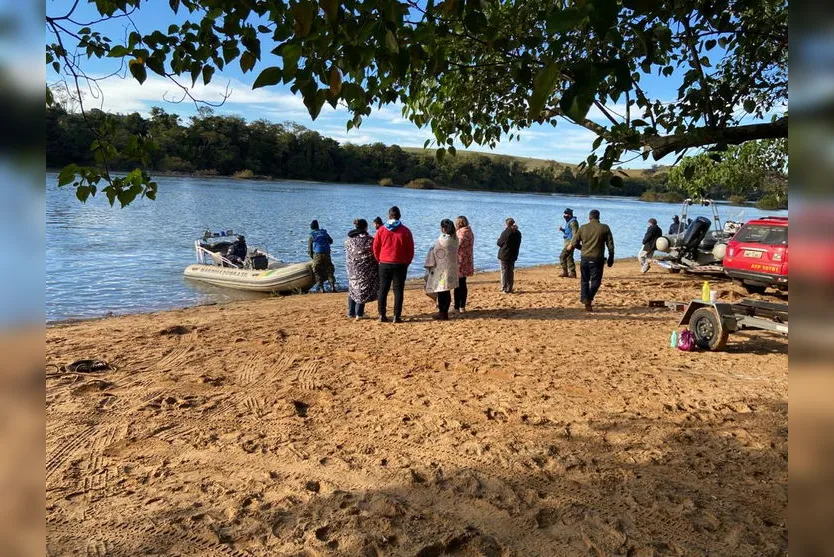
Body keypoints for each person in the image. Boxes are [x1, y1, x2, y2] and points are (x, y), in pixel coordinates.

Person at [373, 206, 415, 323]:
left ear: (389, 216)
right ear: (399, 216)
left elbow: (375, 247)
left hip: (384, 263)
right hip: (400, 264)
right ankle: (397, 316)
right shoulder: (406, 231)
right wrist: (407, 262)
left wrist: (379, 260)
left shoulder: (381, 230)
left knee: (383, 289)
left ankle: (382, 314)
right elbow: (410, 250)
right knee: (398, 290)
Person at [568, 209, 614, 311]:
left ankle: (585, 299)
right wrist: (611, 257)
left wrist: (582, 248)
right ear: (599, 217)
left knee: (584, 280)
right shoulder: (604, 228)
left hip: (584, 258)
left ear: (589, 217)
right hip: (597, 259)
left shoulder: (583, 228)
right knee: (596, 281)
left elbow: (574, 243)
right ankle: (588, 298)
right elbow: (610, 245)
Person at [425, 219, 459, 320]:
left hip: (441, 269)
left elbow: (435, 251)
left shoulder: (443, 239)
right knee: (446, 291)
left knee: (441, 291)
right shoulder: (455, 239)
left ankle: (442, 312)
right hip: (451, 268)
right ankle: (444, 312)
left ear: (443, 228)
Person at [345, 219, 379, 320]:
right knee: (362, 288)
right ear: (366, 227)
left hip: (351, 268)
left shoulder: (348, 240)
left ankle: (351, 312)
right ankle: (359, 313)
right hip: (364, 269)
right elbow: (374, 253)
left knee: (352, 288)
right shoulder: (369, 240)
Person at [453, 215, 474, 313]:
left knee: (458, 285)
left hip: (460, 261)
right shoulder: (469, 231)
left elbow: (456, 245)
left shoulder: (462, 233)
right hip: (467, 260)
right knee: (462, 284)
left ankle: (458, 306)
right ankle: (462, 306)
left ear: (459, 223)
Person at [308, 220, 336, 293]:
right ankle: (332, 286)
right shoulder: (324, 233)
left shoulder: (312, 235)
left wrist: (313, 258)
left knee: (317, 270)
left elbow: (310, 250)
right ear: (318, 226)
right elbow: (331, 241)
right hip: (327, 253)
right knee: (329, 269)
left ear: (311, 227)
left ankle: (321, 288)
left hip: (317, 254)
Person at [496, 218, 522, 294]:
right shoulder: (518, 233)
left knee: (504, 271)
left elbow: (499, 243)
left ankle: (504, 288)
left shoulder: (506, 232)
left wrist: (499, 240)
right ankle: (509, 288)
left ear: (507, 224)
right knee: (510, 271)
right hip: (513, 254)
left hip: (505, 254)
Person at [558, 208, 579, 278]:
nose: (564, 216)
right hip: (567, 241)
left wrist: (571, 244)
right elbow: (568, 232)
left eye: (566, 215)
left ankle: (566, 272)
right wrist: (562, 230)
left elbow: (575, 234)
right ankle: (572, 273)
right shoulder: (569, 221)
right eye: (564, 215)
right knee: (569, 258)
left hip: (570, 242)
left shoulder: (573, 222)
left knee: (562, 257)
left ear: (569, 215)